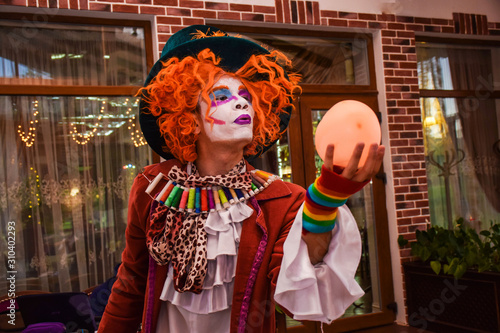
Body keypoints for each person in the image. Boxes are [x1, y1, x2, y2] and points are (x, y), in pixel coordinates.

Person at [98, 25, 384, 333]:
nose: (242, 103)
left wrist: (324, 203)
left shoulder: (281, 198)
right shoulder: (152, 188)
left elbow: (294, 299)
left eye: (246, 96)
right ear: (189, 118)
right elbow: (130, 283)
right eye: (222, 96)